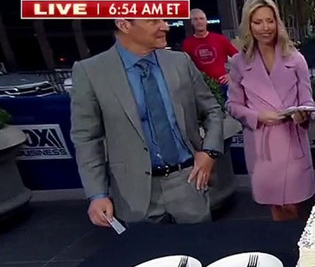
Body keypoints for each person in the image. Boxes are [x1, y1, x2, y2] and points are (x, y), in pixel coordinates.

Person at [70, 19, 225, 226]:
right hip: (133, 192)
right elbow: (87, 139)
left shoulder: (180, 62)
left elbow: (212, 110)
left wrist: (210, 153)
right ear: (124, 25)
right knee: (147, 256)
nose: (165, 26)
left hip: (188, 181)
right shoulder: (91, 72)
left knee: (200, 253)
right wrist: (97, 194)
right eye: (154, 21)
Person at [226, 0, 315, 221]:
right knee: (276, 211)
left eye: (270, 20)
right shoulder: (238, 63)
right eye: (258, 22)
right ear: (249, 25)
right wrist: (258, 116)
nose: (265, 28)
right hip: (262, 147)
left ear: (277, 22)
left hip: (291, 143)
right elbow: (233, 105)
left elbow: (308, 100)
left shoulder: (296, 59)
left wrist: (303, 114)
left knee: (296, 212)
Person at [182, 8, 238, 96]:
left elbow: (238, 58)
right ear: (191, 22)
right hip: (202, 87)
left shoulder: (220, 39)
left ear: (206, 21)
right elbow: (186, 68)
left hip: (223, 84)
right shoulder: (188, 44)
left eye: (201, 18)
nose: (199, 22)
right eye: (195, 19)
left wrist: (231, 75)